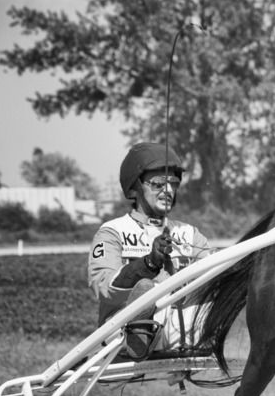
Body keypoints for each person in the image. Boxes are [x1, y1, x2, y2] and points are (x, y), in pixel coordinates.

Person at [88, 142, 213, 358]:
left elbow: (217, 270)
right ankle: (140, 337)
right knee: (145, 286)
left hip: (180, 332)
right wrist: (148, 263)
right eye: (158, 184)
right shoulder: (112, 232)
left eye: (174, 183)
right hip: (121, 335)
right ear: (134, 187)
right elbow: (103, 286)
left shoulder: (190, 234)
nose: (168, 191)